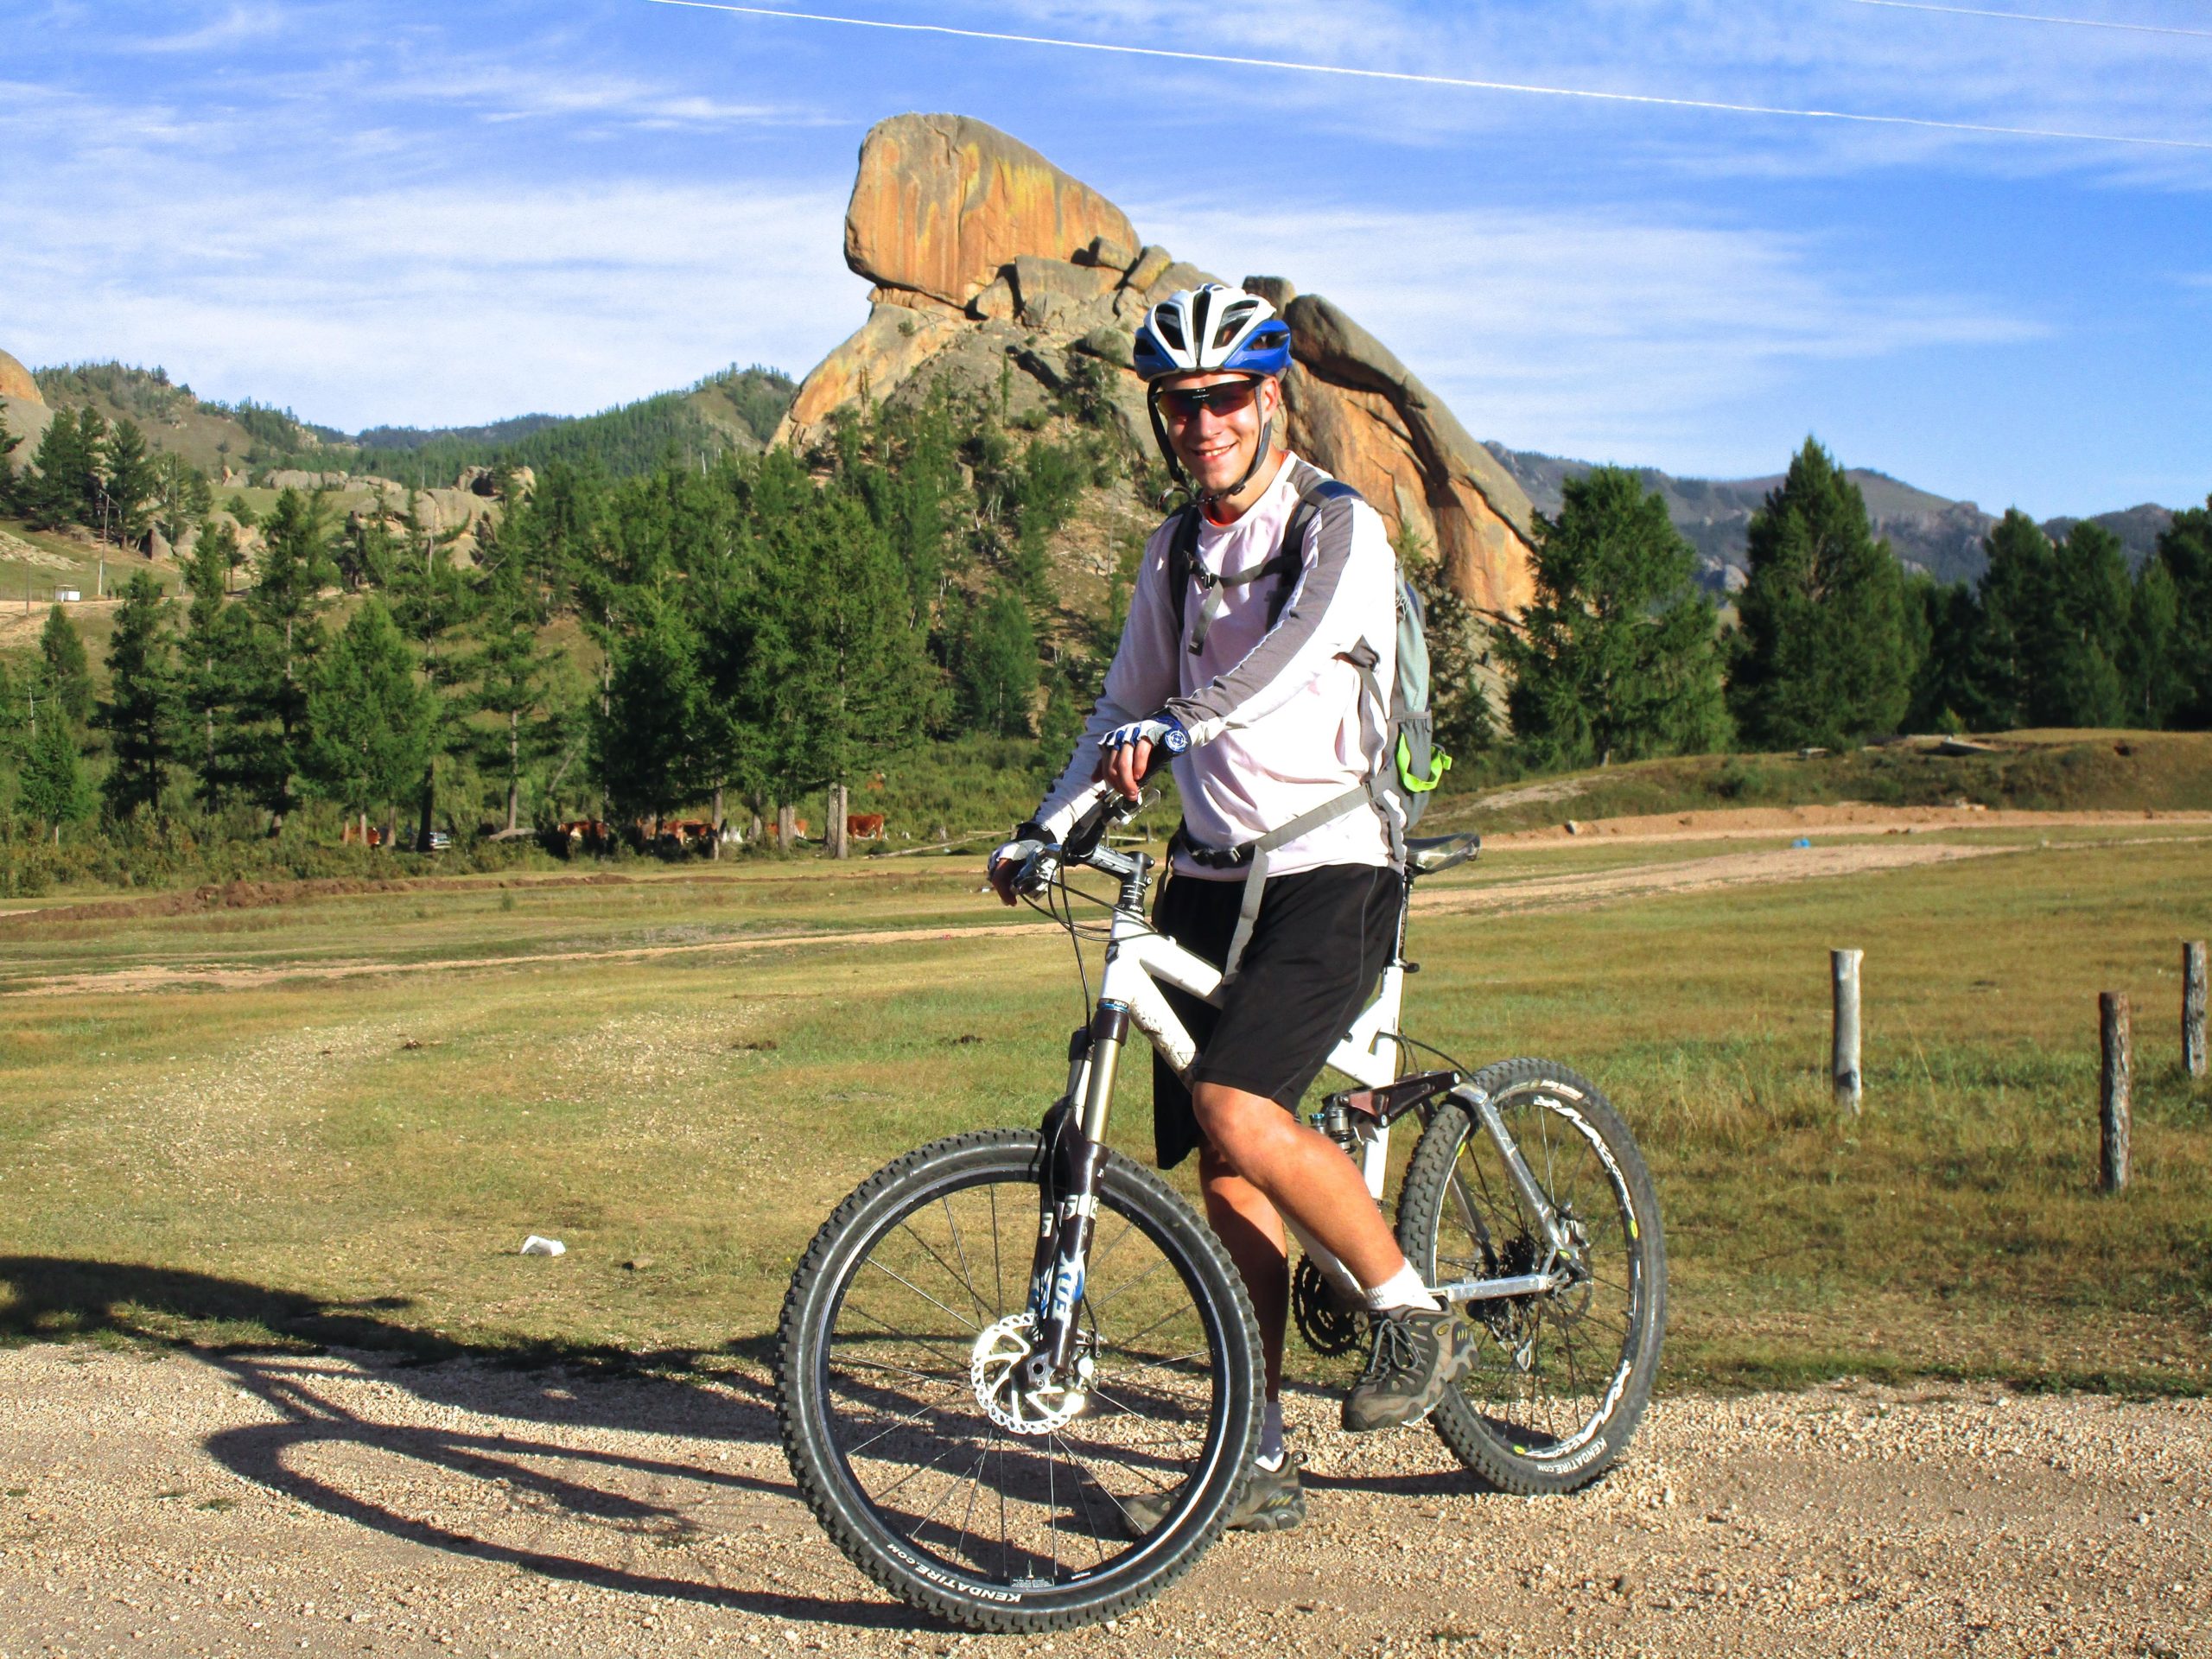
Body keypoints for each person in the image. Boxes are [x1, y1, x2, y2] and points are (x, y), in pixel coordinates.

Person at [988, 283, 1476, 1533]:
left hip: (1333, 866)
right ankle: (1255, 1450)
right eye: (1178, 405)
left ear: (1271, 401)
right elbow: (1120, 708)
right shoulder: (1174, 549)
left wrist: (1183, 722)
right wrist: (1049, 826)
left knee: (1236, 1105)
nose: (1203, 424)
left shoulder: (1336, 528)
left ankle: (1410, 1315)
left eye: (1225, 399)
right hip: (1211, 873)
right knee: (1228, 1166)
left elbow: (1295, 656)